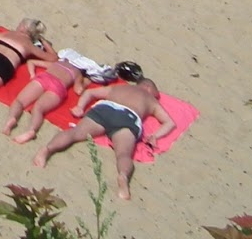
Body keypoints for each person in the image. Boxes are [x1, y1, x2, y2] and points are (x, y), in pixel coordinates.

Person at [32, 69, 175, 200]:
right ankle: (123, 177)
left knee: (75, 133)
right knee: (123, 154)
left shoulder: (119, 88)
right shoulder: (151, 100)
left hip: (106, 109)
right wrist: (155, 136)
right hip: (128, 118)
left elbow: (90, 93)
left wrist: (80, 107)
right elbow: (169, 122)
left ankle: (47, 150)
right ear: (149, 88)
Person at [2, 53, 85, 143]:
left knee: (19, 101)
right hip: (58, 86)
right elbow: (78, 90)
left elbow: (31, 62)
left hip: (44, 78)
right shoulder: (77, 73)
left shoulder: (57, 63)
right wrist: (83, 82)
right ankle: (31, 130)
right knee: (38, 109)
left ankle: (11, 119)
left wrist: (32, 74)